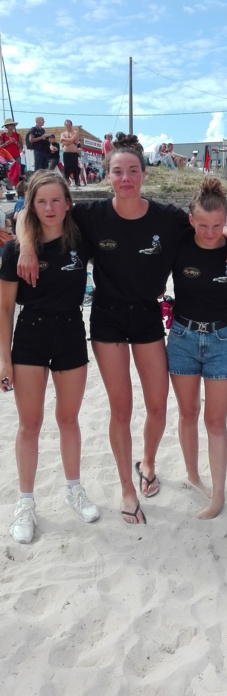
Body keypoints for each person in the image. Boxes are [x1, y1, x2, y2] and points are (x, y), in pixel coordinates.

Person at [17, 142, 227, 524]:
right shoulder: (90, 214)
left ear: (144, 174)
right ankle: (127, 489)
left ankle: (148, 464)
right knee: (120, 408)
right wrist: (25, 245)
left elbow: (205, 223)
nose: (125, 178)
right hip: (107, 316)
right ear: (108, 175)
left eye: (132, 171)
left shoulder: (166, 217)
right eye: (118, 171)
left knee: (158, 405)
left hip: (147, 314)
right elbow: (32, 213)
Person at [0, 170, 100, 544]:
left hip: (71, 330)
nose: (50, 208)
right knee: (30, 423)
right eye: (41, 201)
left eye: (56, 200)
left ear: (68, 203)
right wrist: (4, 358)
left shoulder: (81, 239)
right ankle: (26, 502)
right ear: (31, 206)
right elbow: (5, 307)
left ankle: (74, 489)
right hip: (31, 334)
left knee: (68, 419)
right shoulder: (16, 249)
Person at [167, 177, 227, 519]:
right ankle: (193, 475)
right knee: (187, 413)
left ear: (226, 219)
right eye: (202, 225)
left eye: (218, 225)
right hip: (182, 337)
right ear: (191, 220)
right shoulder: (179, 242)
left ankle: (218, 495)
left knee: (215, 421)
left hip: (221, 339)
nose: (210, 232)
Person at [60, 119, 81, 187]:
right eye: (66, 125)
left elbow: (72, 140)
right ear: (65, 126)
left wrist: (65, 139)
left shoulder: (75, 133)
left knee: (75, 167)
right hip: (66, 153)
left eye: (69, 125)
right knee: (66, 167)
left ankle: (76, 182)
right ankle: (66, 181)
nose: (68, 126)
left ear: (71, 125)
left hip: (74, 153)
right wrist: (70, 141)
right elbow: (63, 142)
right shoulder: (63, 133)